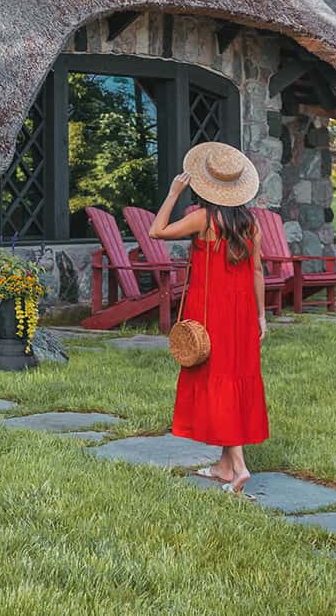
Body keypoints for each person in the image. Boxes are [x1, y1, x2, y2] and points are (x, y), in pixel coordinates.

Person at [149, 141, 268, 497]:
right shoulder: (250, 222)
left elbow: (157, 231)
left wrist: (172, 194)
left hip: (209, 312)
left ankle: (240, 467)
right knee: (234, 379)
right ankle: (223, 465)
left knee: (216, 383)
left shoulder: (203, 218)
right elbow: (258, 270)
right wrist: (262, 316)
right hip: (243, 312)